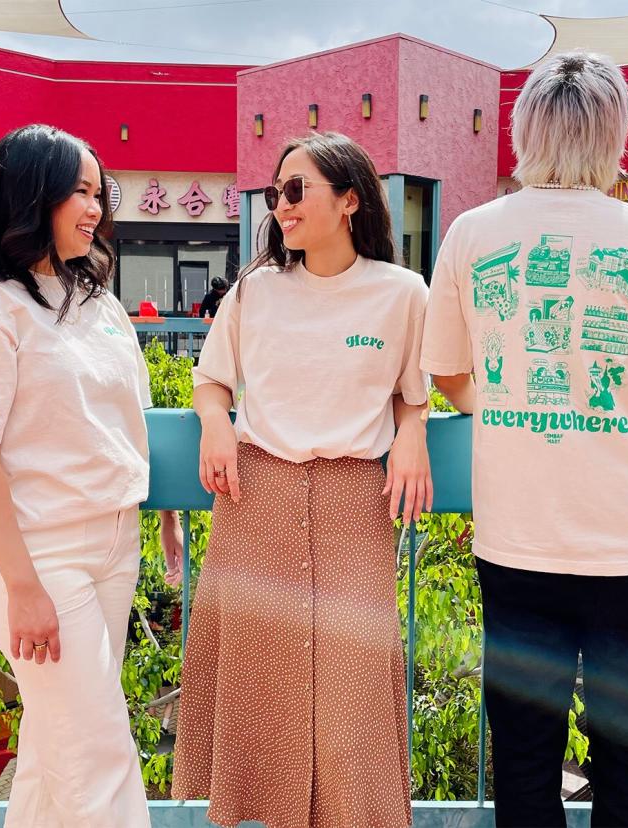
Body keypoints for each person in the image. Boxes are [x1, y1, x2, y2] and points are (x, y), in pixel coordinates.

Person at [421, 53, 628, 828]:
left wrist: (511, 406)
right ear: (617, 132)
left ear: (522, 132)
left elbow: (448, 372)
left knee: (523, 754)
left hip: (516, 544)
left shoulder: (472, 233)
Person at [170, 131, 432, 828]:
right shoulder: (255, 291)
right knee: (261, 684)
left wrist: (411, 434)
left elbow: (415, 390)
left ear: (349, 200)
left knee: (353, 694)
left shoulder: (403, 294)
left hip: (355, 500)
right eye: (274, 194)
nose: (280, 207)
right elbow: (211, 380)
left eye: (295, 190)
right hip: (256, 495)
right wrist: (216, 423)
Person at [0, 123, 179, 827]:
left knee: (50, 754)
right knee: (99, 760)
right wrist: (23, 585)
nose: (95, 209)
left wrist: (162, 523)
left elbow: (128, 417)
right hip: (41, 556)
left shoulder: (94, 300)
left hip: (112, 547)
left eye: (101, 193)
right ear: (31, 193)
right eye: (79, 191)